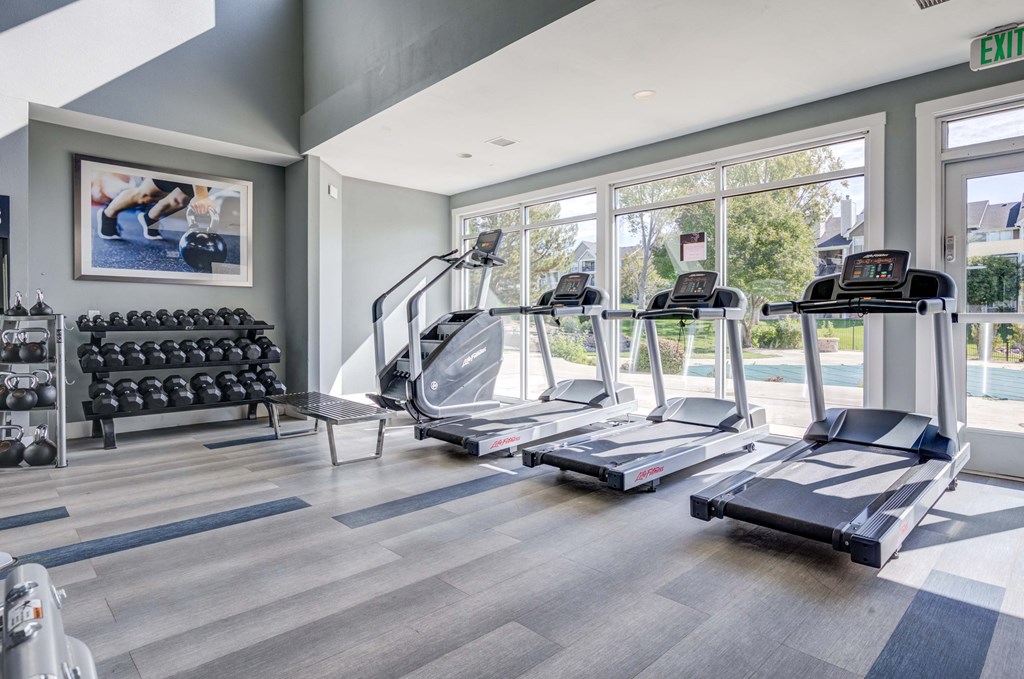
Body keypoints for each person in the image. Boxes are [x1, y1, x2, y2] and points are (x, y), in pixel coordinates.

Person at [96, 178, 215, 241]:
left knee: (179, 201)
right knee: (146, 196)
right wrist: (201, 194)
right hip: (181, 160)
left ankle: (149, 218)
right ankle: (108, 214)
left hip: (206, 173)